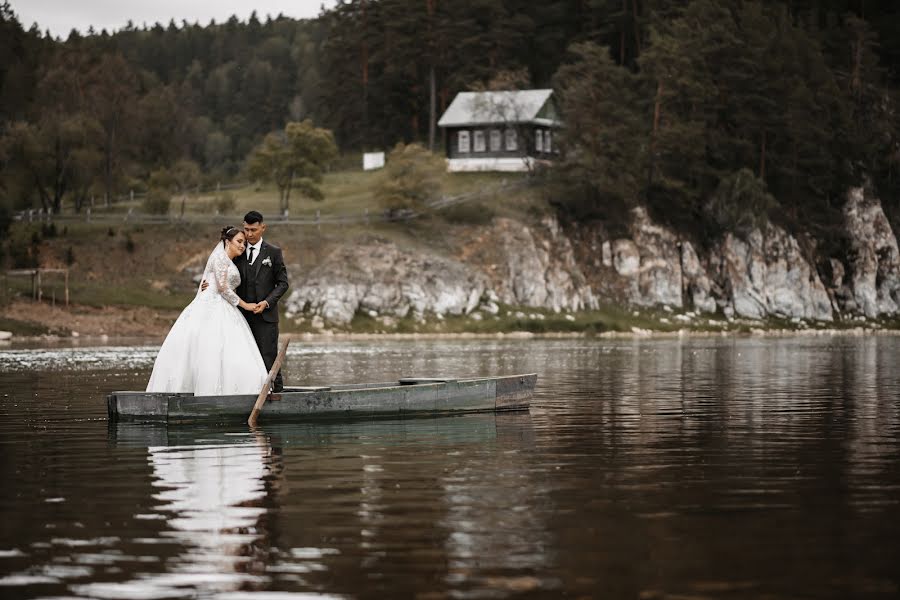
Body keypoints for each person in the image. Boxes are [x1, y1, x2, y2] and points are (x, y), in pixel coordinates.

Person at [146, 227, 268, 395]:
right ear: (227, 241)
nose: (242, 246)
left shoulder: (231, 261)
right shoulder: (220, 258)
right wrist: (246, 305)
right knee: (208, 346)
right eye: (239, 241)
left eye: (244, 243)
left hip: (225, 305)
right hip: (214, 304)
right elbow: (222, 288)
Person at [203, 211, 290, 392]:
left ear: (262, 228)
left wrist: (266, 302)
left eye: (253, 230)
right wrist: (209, 283)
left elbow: (283, 284)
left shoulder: (273, 253)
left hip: (266, 316)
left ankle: (277, 395)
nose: (249, 234)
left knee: (268, 357)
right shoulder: (238, 250)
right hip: (239, 316)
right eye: (246, 229)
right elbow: (219, 269)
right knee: (242, 358)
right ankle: (246, 393)